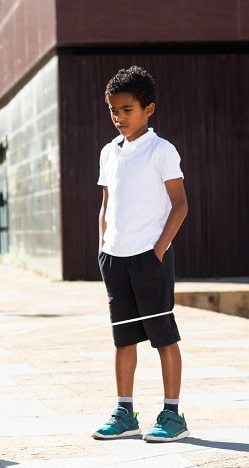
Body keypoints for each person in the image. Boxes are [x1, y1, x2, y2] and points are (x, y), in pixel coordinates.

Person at [92, 66, 189, 443]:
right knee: (123, 339)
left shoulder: (162, 151)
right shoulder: (108, 153)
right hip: (114, 258)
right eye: (113, 110)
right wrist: (103, 247)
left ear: (149, 109)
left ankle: (172, 413)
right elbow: (106, 203)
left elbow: (180, 205)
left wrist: (158, 250)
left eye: (127, 109)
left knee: (164, 336)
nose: (119, 117)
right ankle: (124, 410)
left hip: (150, 258)